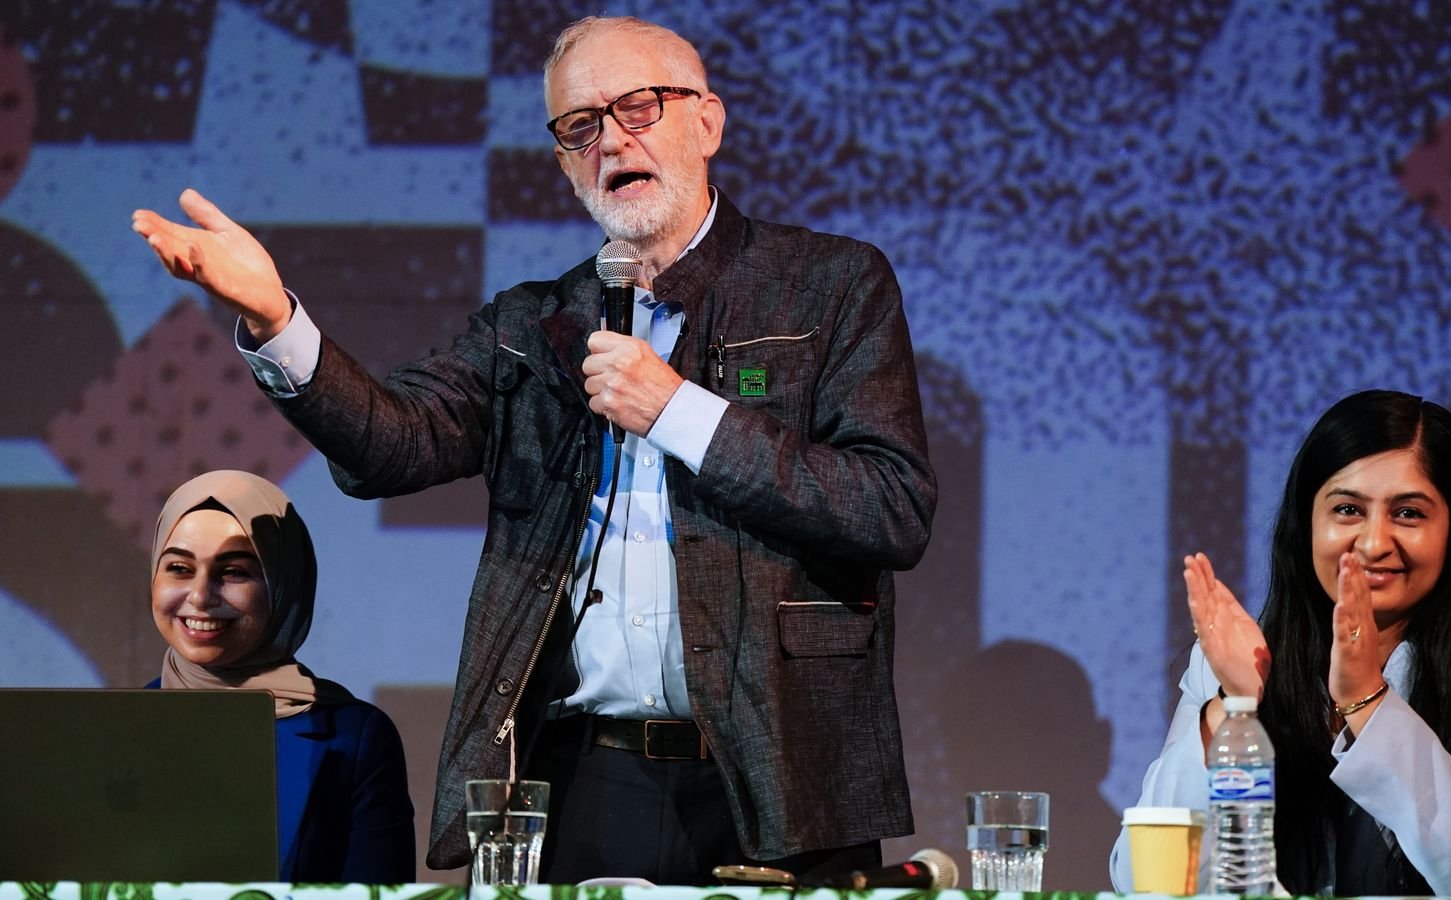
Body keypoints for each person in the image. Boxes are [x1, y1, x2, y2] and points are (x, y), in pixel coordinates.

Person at [131, 15, 935, 886]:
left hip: (780, 779)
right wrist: (275, 318)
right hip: (582, 781)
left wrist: (676, 411)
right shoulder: (531, 325)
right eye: (580, 127)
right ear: (563, 162)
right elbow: (390, 447)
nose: (610, 140)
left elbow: (890, 507)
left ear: (706, 122)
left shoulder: (831, 284)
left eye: (639, 107)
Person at [1109, 390, 1451, 898]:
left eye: (1409, 514)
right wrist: (1233, 706)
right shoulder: (1237, 659)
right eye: (1349, 509)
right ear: (1306, 523)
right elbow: (1147, 883)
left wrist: (1368, 703)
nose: (1375, 543)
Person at [150, 469, 415, 882]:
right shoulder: (119, 725)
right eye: (180, 568)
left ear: (283, 583)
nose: (200, 596)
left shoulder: (355, 737)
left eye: (234, 571)